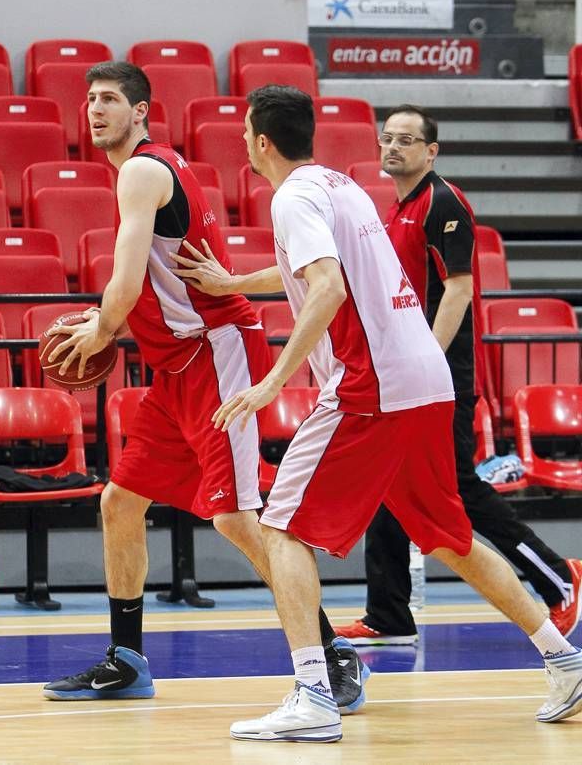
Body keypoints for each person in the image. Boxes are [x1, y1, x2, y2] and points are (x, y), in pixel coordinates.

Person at [175, 84, 582, 742]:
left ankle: (313, 694)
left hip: (374, 387)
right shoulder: (344, 187)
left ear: (259, 141)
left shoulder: (292, 197)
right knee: (449, 536)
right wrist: (231, 283)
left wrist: (273, 380)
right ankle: (564, 661)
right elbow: (321, 272)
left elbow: (328, 288)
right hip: (426, 377)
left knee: (279, 529)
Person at [39, 63, 368, 714]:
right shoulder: (154, 171)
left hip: (217, 356)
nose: (96, 110)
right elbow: (146, 289)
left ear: (141, 112)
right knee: (119, 503)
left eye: (110, 100)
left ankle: (330, 655)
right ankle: (127, 660)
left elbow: (127, 282)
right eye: (91, 101)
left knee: (238, 519)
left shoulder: (141, 170)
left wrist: (103, 327)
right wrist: (103, 321)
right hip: (175, 371)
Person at [335, 104, 582, 648]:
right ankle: (389, 614)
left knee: (459, 490)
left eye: (406, 140)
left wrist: (424, 359)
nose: (393, 147)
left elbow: (460, 289)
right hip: (406, 376)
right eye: (387, 138)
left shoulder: (443, 203)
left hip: (440, 376)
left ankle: (559, 576)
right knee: (386, 483)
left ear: (431, 151)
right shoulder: (398, 209)